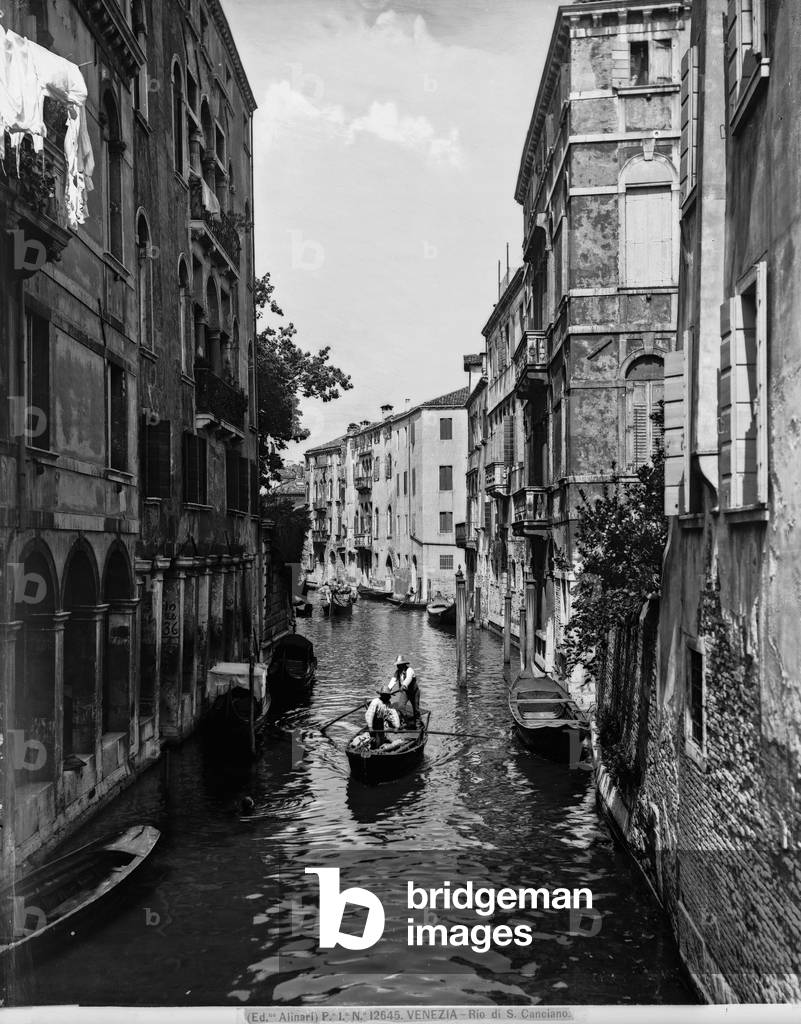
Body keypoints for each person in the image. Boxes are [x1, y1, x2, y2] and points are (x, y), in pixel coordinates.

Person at [388, 654, 420, 725]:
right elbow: (393, 680)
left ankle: (418, 724)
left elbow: (409, 678)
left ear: (404, 664)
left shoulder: (409, 670)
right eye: (397, 665)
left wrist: (404, 685)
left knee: (416, 709)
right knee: (401, 706)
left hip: (414, 692)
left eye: (399, 665)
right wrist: (388, 689)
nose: (398, 666)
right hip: (405, 692)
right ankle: (405, 721)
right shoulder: (397, 672)